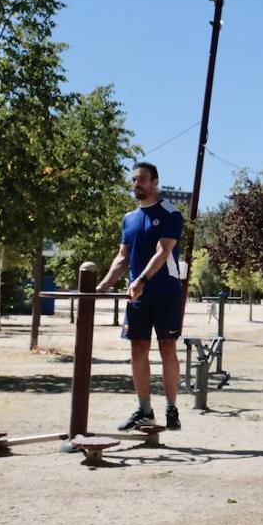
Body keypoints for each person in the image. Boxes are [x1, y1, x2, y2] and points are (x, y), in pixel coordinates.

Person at [97, 162, 186, 431]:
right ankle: (145, 410)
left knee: (167, 346)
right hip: (138, 294)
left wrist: (142, 280)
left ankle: (171, 408)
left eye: (143, 180)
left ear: (155, 182)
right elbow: (122, 257)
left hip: (165, 291)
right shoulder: (129, 218)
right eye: (134, 180)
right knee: (137, 347)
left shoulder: (171, 213)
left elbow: (163, 251)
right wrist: (103, 284)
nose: (137, 184)